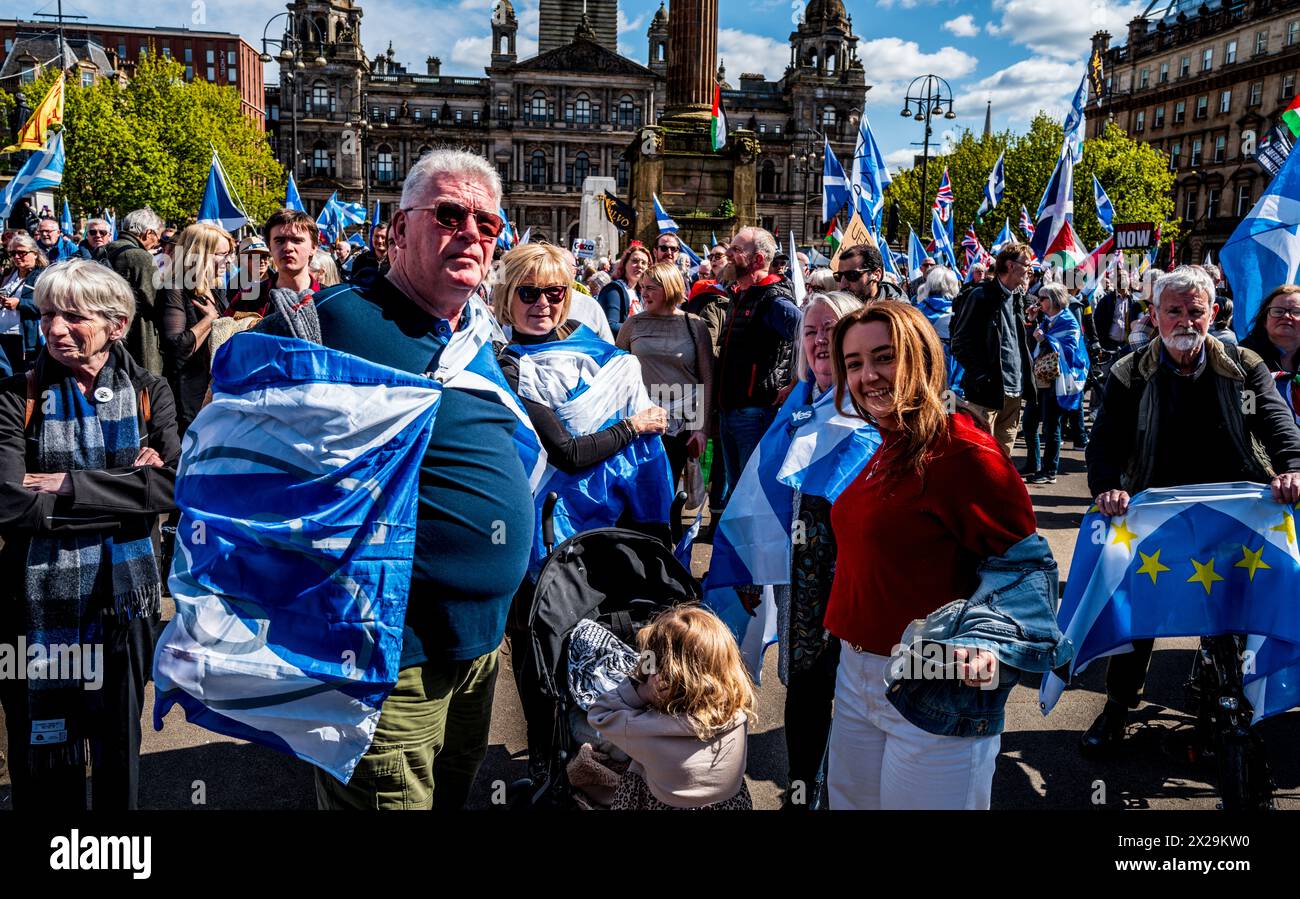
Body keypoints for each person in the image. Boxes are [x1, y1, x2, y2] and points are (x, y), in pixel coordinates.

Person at [257, 149, 535, 810]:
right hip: (383, 658)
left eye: (488, 225)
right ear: (398, 229)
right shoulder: (330, 320)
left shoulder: (479, 334)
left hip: (476, 651)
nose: (471, 232)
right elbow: (236, 438)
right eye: (449, 214)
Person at [824, 300, 1038, 809]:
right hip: (856, 678)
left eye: (884, 357)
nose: (868, 375)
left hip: (935, 684)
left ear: (921, 357)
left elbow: (1028, 572)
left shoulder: (965, 453)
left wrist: (985, 649)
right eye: (853, 364)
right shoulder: (885, 444)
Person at [1081, 266, 1300, 753]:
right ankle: (1117, 709)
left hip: (1236, 506)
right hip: (1156, 509)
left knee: (1245, 604)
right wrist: (1107, 488)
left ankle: (1236, 700)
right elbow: (1105, 442)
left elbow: (1279, 424)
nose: (1184, 320)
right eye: (1173, 311)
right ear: (1154, 315)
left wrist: (1292, 469)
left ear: (1213, 313)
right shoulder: (1128, 370)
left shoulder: (1245, 365)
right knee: (1136, 611)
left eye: (1195, 311)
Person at [0, 259, 179, 809]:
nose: (54, 329)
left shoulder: (152, 390)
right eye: (48, 313)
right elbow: (10, 504)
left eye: (73, 317)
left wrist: (67, 486)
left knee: (115, 741)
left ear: (117, 324)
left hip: (123, 601)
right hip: (33, 600)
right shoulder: (15, 395)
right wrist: (127, 486)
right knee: (41, 740)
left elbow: (173, 487)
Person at [587, 605, 754, 810]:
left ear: (662, 677)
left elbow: (599, 714)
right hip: (731, 803)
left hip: (663, 804)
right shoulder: (737, 712)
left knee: (635, 774)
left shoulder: (645, 730)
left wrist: (643, 691)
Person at [715, 226, 799, 501]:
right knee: (737, 492)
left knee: (752, 496)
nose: (728, 253)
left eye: (737, 250)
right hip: (731, 411)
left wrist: (796, 383)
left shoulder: (774, 300)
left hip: (754, 413)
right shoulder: (742, 295)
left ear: (758, 260)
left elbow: (811, 337)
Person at [616, 261, 713, 487]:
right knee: (640, 490)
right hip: (642, 420)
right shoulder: (633, 324)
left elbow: (707, 380)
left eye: (651, 288)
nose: (644, 293)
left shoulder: (695, 324)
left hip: (682, 425)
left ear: (669, 288)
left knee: (671, 492)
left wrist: (702, 429)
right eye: (642, 287)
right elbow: (617, 374)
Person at [950, 242, 1035, 456]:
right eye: (1026, 264)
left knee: (1004, 459)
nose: (1030, 270)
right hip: (987, 394)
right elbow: (960, 343)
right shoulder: (980, 296)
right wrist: (982, 377)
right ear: (1010, 265)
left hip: (1014, 392)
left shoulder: (1017, 298)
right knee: (981, 455)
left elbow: (1014, 342)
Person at [158, 223, 233, 435]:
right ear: (201, 255)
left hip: (215, 386)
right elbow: (177, 348)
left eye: (229, 254)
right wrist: (209, 318)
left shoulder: (215, 288)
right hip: (188, 391)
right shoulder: (174, 288)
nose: (228, 261)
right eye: (222, 254)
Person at [1021, 282, 1088, 485]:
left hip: (1058, 381)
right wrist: (1032, 323)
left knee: (1051, 426)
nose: (1038, 301)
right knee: (1029, 423)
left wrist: (1045, 339)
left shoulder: (1068, 321)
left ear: (1055, 300)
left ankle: (1050, 471)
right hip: (1041, 379)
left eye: (1042, 298)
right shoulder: (1046, 320)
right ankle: (1033, 464)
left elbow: (1069, 350)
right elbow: (1032, 345)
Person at [226, 209, 321, 318]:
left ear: (313, 247)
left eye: (297, 240)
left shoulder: (330, 299)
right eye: (279, 241)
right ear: (269, 247)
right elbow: (222, 333)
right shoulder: (246, 300)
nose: (288, 248)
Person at [104, 208, 166, 375]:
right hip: (138, 334)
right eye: (157, 236)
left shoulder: (104, 250)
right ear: (148, 233)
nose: (157, 241)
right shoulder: (140, 257)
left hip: (108, 330)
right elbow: (155, 300)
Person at [0, 233, 46, 375]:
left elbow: (48, 306)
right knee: (5, 376)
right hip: (2, 333)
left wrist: (20, 304)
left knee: (24, 376)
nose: (16, 257)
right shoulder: (9, 273)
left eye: (22, 252)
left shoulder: (43, 275)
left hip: (25, 337)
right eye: (13, 253)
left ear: (35, 253)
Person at [915, 264, 963, 391]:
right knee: (948, 407)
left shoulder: (917, 311)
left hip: (922, 373)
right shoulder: (961, 311)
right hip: (952, 376)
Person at [560, 247, 615, 343]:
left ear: (574, 271)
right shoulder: (533, 302)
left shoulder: (590, 305)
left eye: (562, 266)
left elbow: (608, 347)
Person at [598, 243, 652, 336]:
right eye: (635, 261)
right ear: (625, 264)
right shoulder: (614, 289)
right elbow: (610, 326)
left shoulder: (639, 292)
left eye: (644, 263)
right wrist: (644, 328)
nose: (639, 265)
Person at [834, 243, 907, 302]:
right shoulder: (837, 307)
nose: (842, 285)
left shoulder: (898, 315)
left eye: (851, 275)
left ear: (876, 275)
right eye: (839, 276)